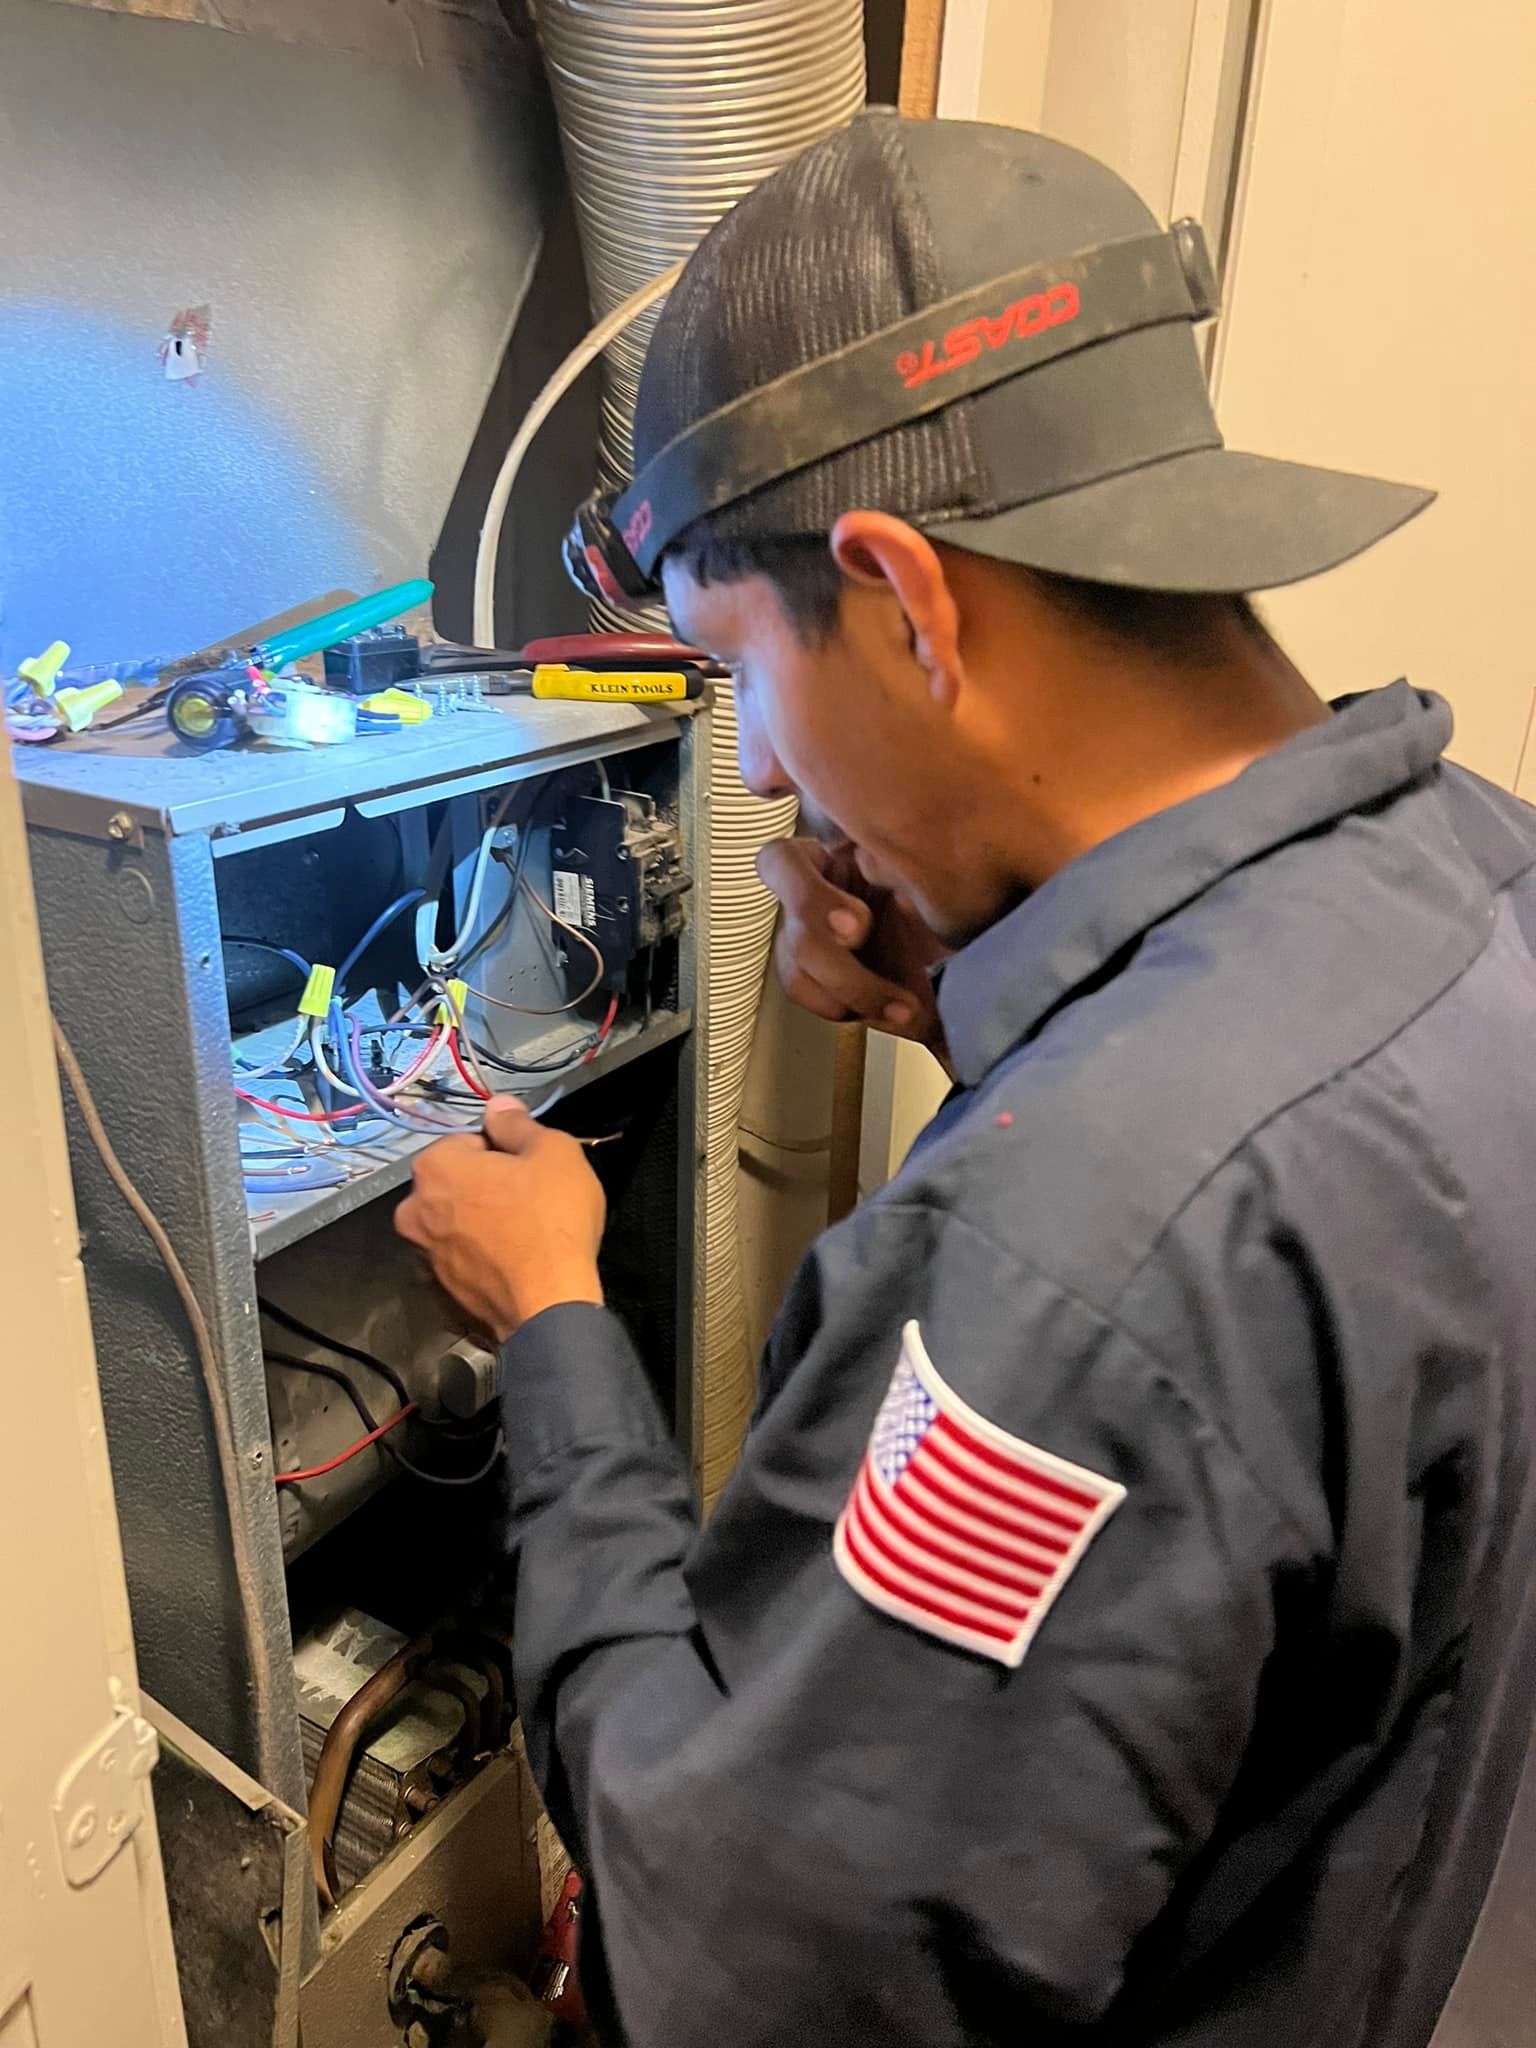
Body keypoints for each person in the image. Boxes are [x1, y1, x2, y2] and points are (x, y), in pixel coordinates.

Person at [395, 113, 1536, 2046]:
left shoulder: (1074, 1253)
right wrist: (969, 1011)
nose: (755, 769)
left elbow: (730, 1965)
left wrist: (558, 1318)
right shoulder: (1474, 866)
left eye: (740, 666)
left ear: (908, 598)